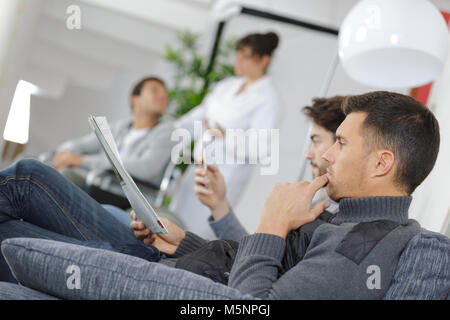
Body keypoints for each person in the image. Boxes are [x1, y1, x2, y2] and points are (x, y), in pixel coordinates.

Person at [0, 91, 442, 299]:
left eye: (341, 144)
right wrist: (186, 242)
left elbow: (249, 309)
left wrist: (272, 223)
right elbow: (256, 269)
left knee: (18, 205)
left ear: (382, 164)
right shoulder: (345, 218)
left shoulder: (361, 247)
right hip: (178, 260)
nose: (326, 157)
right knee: (28, 178)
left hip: (166, 281)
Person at [169, 32, 282, 238]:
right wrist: (168, 130)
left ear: (263, 60)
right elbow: (200, 115)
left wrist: (225, 135)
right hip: (197, 170)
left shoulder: (268, 100)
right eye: (237, 54)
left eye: (245, 56)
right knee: (173, 224)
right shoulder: (226, 87)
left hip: (224, 178)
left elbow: (261, 148)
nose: (237, 60)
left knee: (194, 236)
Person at [191, 96, 347, 241]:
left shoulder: (333, 220)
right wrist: (219, 205)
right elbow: (255, 253)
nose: (309, 154)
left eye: (316, 141)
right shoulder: (321, 205)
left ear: (340, 144)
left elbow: (256, 260)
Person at [50, 76, 175, 209]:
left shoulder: (167, 132)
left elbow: (146, 168)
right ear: (135, 99)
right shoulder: (121, 127)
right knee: (53, 170)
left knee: (67, 176)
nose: (163, 96)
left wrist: (81, 161)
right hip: (101, 186)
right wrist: (63, 154)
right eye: (155, 91)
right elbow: (81, 144)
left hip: (128, 199)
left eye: (165, 94)